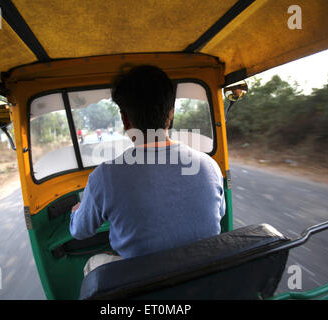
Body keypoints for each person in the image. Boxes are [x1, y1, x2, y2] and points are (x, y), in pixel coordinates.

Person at [69, 65, 225, 276]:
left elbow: (80, 231)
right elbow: (219, 212)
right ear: (171, 114)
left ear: (125, 119)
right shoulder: (209, 165)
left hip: (145, 284)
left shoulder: (105, 176)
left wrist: (76, 213)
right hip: (206, 278)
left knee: (94, 263)